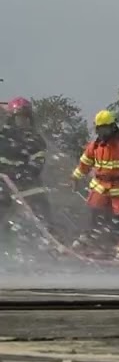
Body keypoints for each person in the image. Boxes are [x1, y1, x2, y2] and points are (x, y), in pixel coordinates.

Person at [71, 110, 119, 260]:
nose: (103, 133)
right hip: (100, 186)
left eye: (105, 129)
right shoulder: (95, 146)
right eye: (100, 129)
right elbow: (84, 163)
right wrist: (75, 176)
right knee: (93, 212)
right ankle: (87, 238)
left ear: (113, 127)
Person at [0, 98, 50, 257]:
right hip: (4, 184)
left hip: (27, 183)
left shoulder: (35, 139)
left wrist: (25, 173)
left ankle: (44, 246)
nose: (23, 121)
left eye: (25, 118)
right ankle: (5, 249)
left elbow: (38, 160)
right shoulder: (3, 137)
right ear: (11, 118)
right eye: (19, 118)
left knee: (41, 210)